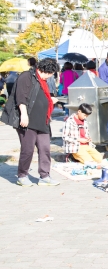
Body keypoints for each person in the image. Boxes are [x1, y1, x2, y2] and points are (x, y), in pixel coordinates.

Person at [0, 58, 60, 186]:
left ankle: (45, 175)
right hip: (27, 120)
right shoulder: (26, 76)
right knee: (28, 149)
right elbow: (21, 97)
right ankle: (22, 175)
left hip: (42, 120)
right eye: (50, 73)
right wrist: (24, 114)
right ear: (44, 70)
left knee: (45, 148)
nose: (50, 76)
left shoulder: (42, 80)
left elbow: (40, 96)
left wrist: (50, 101)